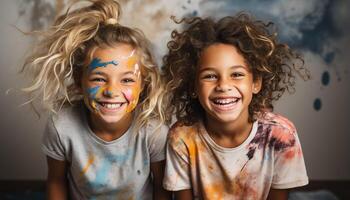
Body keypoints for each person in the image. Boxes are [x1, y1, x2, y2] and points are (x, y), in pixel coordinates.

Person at [21, 0, 170, 199]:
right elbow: (56, 180)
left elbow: (161, 187)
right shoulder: (62, 126)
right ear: (78, 81)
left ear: (143, 85)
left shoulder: (153, 131)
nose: (111, 91)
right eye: (99, 78)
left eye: (126, 80)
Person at [162, 13, 309, 200]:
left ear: (256, 82)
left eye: (237, 74)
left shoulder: (281, 135)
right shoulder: (182, 137)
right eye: (210, 76)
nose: (223, 86)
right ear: (193, 87)